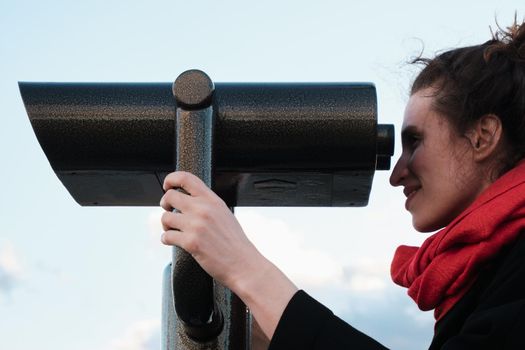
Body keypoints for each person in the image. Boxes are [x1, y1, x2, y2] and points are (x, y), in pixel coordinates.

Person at [159, 19, 525, 349]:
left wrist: (244, 267)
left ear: (483, 136)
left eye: (415, 141)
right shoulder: (487, 278)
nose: (397, 174)